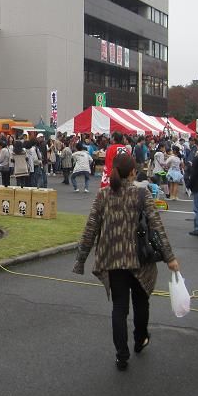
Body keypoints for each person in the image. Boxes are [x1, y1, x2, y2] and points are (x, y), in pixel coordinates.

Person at [72, 153, 179, 371]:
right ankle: (140, 339)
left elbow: (90, 229)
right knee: (141, 302)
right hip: (140, 259)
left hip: (113, 259)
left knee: (119, 308)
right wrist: (170, 258)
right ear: (132, 172)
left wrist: (80, 260)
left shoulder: (103, 195)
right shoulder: (142, 194)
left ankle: (122, 355)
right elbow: (157, 227)